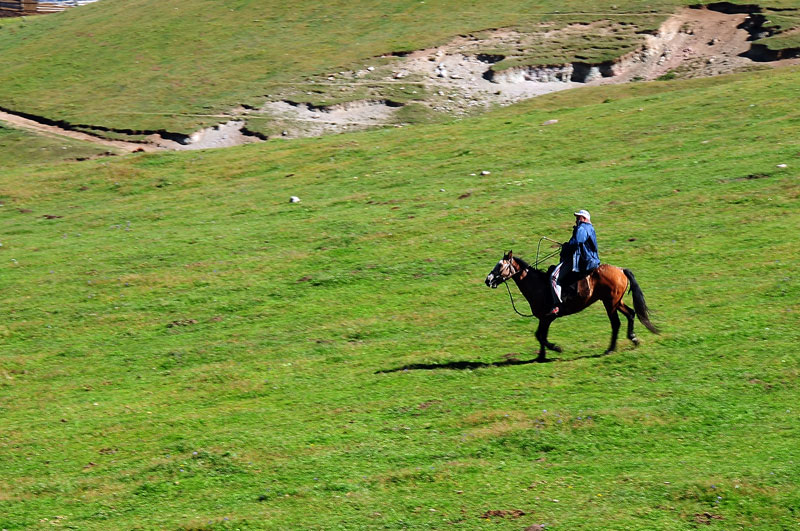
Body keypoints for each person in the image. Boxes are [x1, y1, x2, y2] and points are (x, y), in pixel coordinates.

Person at [547, 209, 600, 316]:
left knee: (553, 277)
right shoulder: (590, 228)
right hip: (592, 260)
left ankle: (558, 305)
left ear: (584, 219)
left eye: (578, 217)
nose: (576, 220)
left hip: (582, 260)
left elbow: (576, 242)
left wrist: (566, 247)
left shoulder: (583, 227)